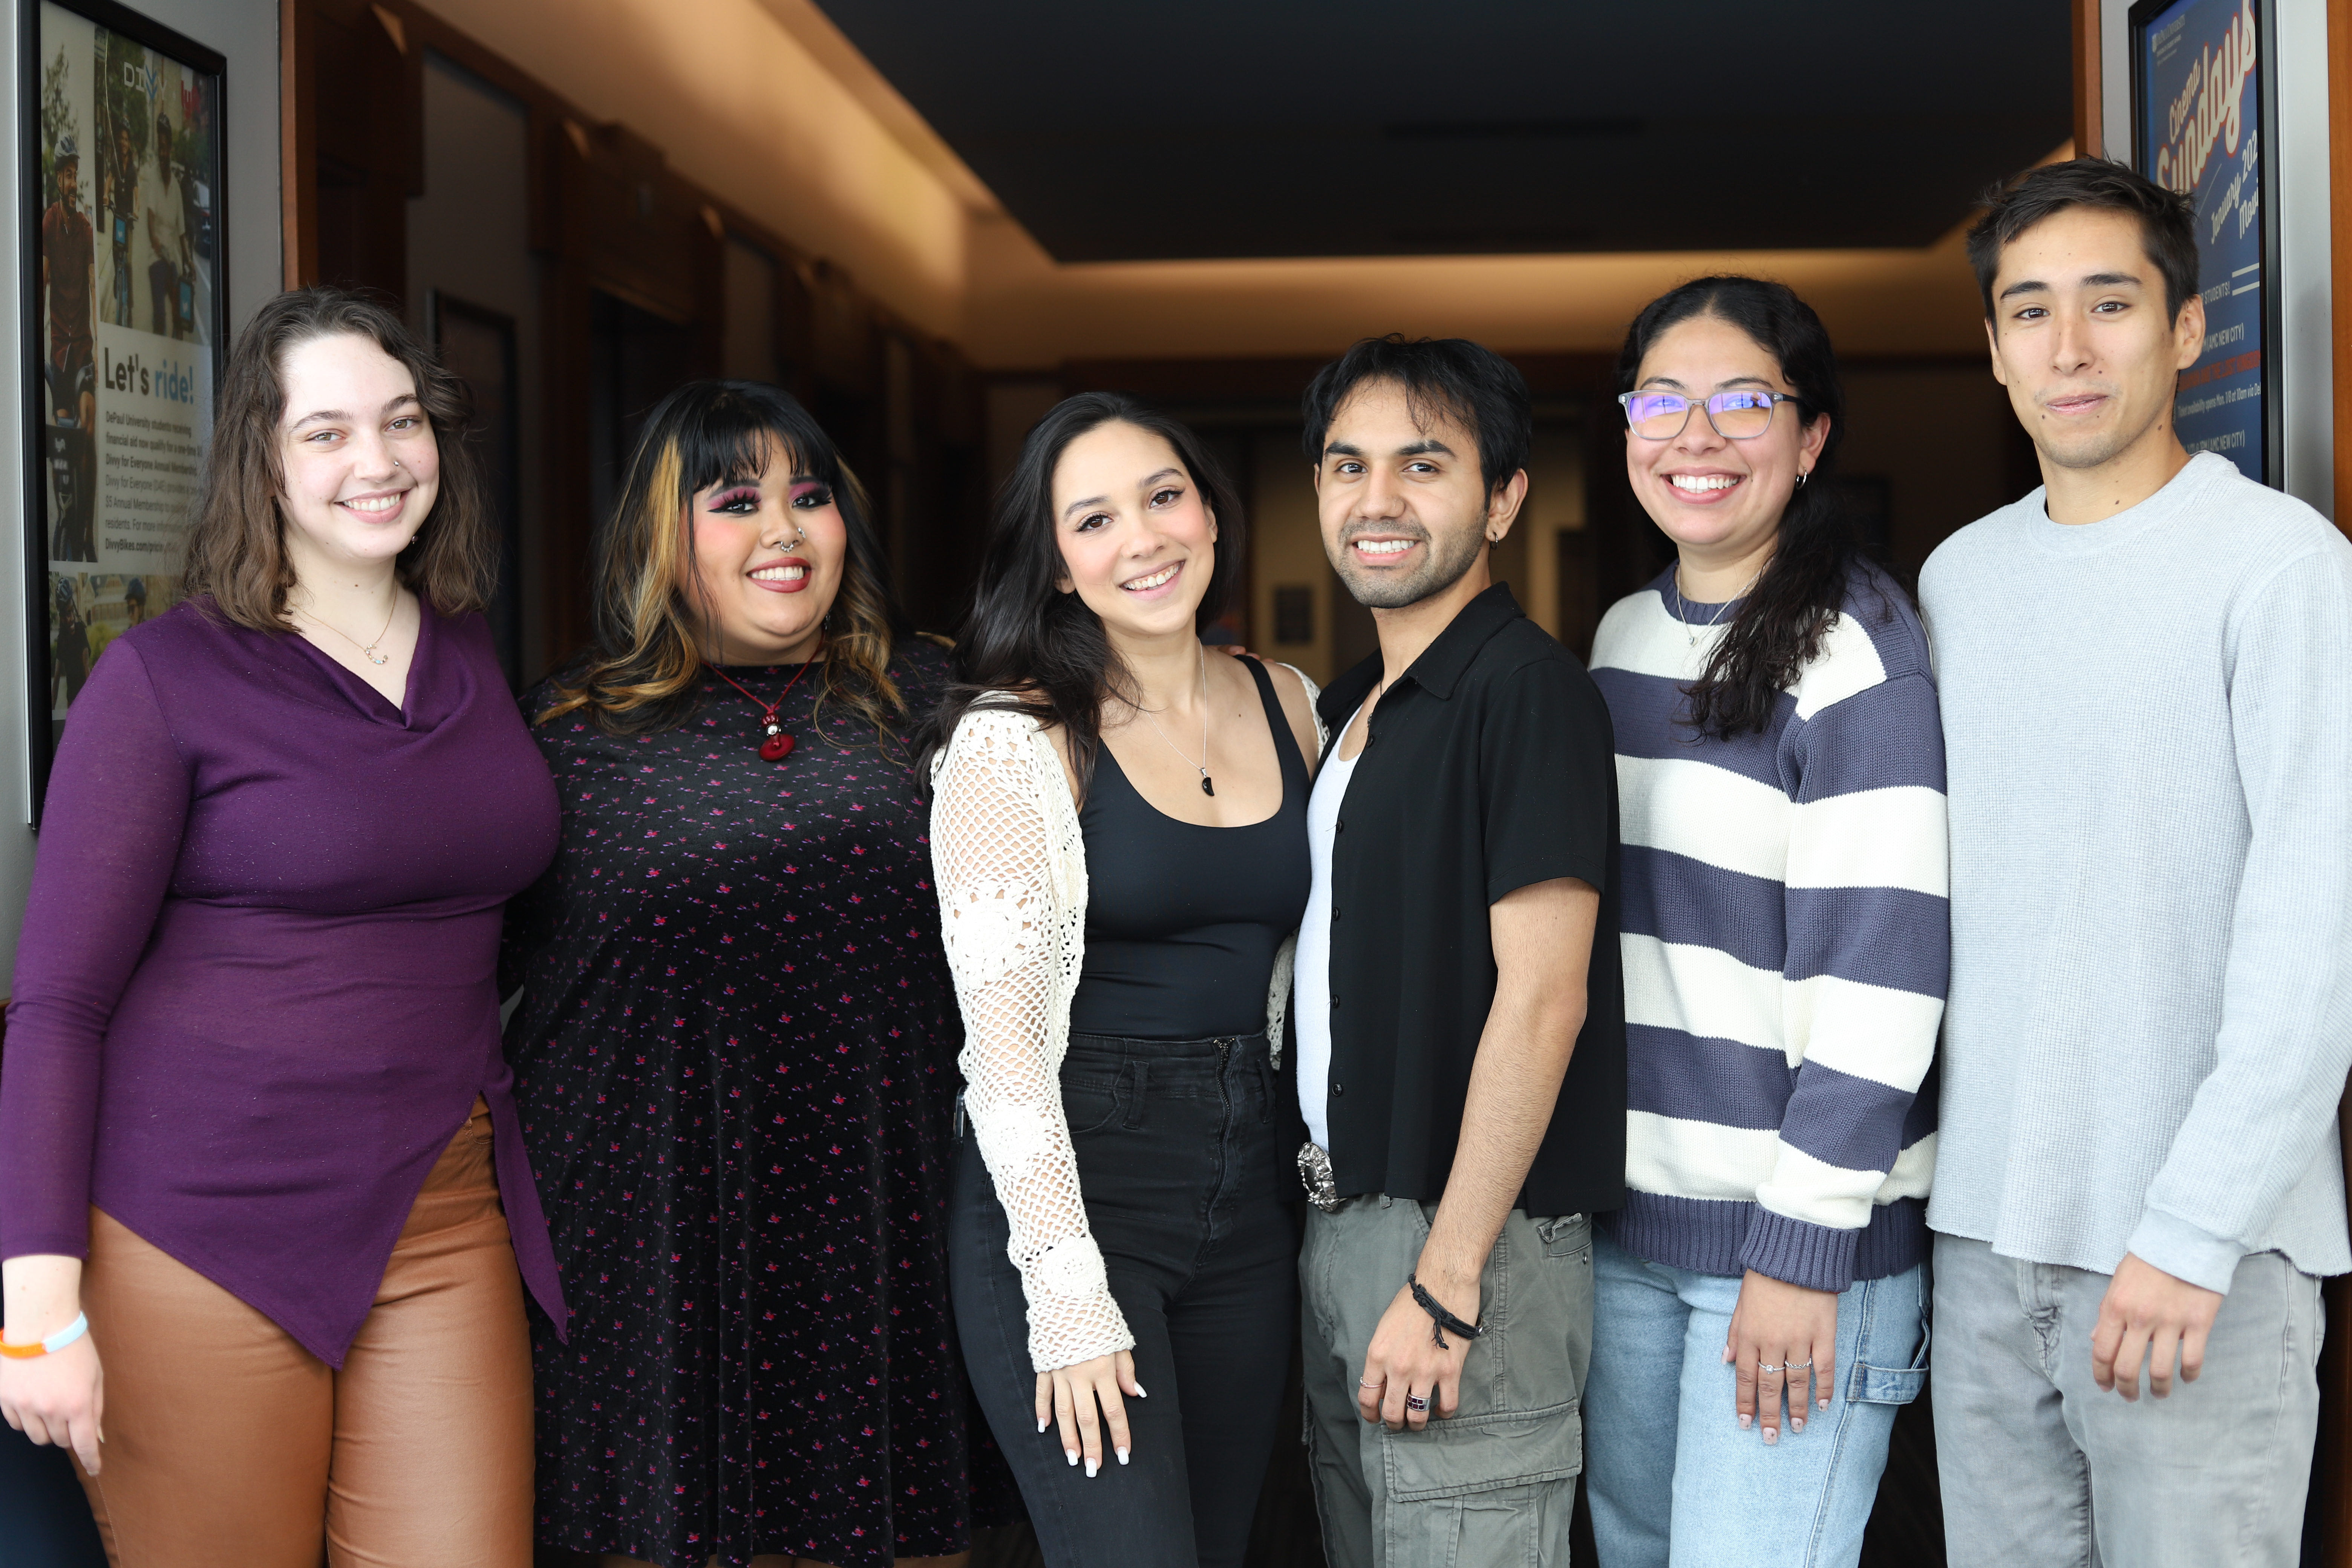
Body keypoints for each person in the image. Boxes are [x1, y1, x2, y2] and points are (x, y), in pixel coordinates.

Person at [0, 285, 563, 1565]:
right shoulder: (162, 680)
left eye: (403, 421)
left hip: (439, 1208)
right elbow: (58, 1004)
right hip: (202, 1225)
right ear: (259, 460)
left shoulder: (471, 649)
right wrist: (38, 1304)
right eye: (325, 433)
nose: (378, 461)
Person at [1920, 157, 2352, 1567]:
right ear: (1991, 351)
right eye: (2027, 311)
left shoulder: (2281, 567)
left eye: (2109, 304)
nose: (2067, 346)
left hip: (2197, 1258)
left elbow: (2315, 937)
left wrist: (2192, 1227)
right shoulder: (1956, 581)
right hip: (1981, 1246)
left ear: (2184, 329)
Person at [502, 380, 997, 1568]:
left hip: (881, 1218)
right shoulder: (565, 732)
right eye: (736, 501)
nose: (784, 530)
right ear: (661, 542)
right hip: (646, 1232)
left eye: (810, 497)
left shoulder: (935, 702)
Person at [1580, 277, 1942, 1567]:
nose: (1697, 436)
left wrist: (1799, 1251)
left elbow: (1885, 973)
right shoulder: (1620, 640)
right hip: (1630, 1233)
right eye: (1661, 401)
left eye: (1743, 402)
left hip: (1794, 1252)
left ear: (1811, 437)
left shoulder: (1858, 653)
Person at [927, 392, 1323, 1568]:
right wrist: (1066, 1292)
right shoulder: (1015, 740)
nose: (1143, 539)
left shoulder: (1291, 702)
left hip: (1250, 1190)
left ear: (1209, 511)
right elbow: (1000, 1057)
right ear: (1053, 565)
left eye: (1163, 497)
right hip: (1075, 1186)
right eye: (1093, 520)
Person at [1292, 335, 1621, 1568]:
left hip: (1465, 1238)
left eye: (1422, 466)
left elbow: (1544, 1002)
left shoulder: (1523, 692)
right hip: (1345, 1226)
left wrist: (1445, 1278)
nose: (1375, 500)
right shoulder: (1357, 709)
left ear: (1502, 498)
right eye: (1346, 465)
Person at [140, 113, 186, 340]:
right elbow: (150, 219)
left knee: (180, 313)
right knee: (160, 314)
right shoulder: (153, 179)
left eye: (166, 149)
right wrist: (156, 243)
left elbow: (182, 231)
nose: (163, 153)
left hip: (173, 261)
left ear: (171, 151)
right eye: (160, 149)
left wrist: (188, 261)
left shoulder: (176, 187)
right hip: (158, 258)